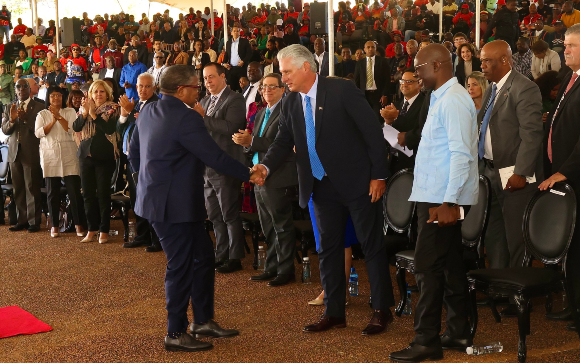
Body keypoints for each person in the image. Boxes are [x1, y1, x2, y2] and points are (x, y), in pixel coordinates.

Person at [253, 44, 395, 335]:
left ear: (306, 67)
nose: (284, 79)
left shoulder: (341, 90)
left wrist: (379, 175)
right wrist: (265, 167)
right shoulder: (291, 102)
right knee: (327, 250)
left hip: (358, 183)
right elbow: (282, 142)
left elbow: (372, 132)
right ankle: (334, 311)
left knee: (371, 247)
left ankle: (381, 310)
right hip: (320, 186)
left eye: (287, 72)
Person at [128, 64, 260, 352]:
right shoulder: (186, 119)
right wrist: (249, 173)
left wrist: (149, 180)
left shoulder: (149, 110)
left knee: (202, 257)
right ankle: (175, 332)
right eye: (195, 87)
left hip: (160, 201)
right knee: (181, 266)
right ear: (181, 89)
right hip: (173, 208)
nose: (198, 91)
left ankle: (201, 320)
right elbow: (213, 155)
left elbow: (134, 151)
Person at [389, 43, 479, 363]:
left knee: (427, 267)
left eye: (420, 67)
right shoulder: (439, 98)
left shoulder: (453, 100)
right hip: (434, 194)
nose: (416, 74)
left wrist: (448, 202)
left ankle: (426, 340)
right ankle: (457, 329)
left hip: (441, 198)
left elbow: (461, 155)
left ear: (438, 65)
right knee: (450, 264)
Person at [478, 40, 543, 318]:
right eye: (481, 61)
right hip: (491, 170)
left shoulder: (524, 87)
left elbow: (532, 134)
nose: (482, 66)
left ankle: (520, 297)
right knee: (496, 235)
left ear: (504, 60)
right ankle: (501, 288)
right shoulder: (493, 89)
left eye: (486, 61)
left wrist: (521, 172)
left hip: (513, 174)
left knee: (516, 236)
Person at [233, 73, 298, 286]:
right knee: (267, 226)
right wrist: (246, 144)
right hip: (258, 175)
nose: (267, 90)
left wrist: (252, 141)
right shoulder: (261, 113)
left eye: (272, 87)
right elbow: (256, 143)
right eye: (264, 87)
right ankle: (271, 267)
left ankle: (286, 270)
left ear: (282, 89)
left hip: (278, 176)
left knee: (281, 226)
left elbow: (281, 144)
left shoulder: (286, 111)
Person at [539, 24, 580, 329]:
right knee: (572, 245)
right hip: (561, 174)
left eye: (571, 46)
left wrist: (565, 170)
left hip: (575, 176)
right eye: (564, 45)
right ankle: (574, 304)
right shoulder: (570, 77)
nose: (564, 50)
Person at [200, 63, 248, 273]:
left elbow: (231, 127)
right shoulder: (203, 101)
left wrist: (203, 118)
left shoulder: (235, 98)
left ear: (222, 77)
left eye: (211, 77)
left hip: (226, 164)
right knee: (214, 215)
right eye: (204, 78)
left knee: (229, 214)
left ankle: (235, 258)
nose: (207, 82)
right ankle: (221, 255)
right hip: (206, 167)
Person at [73, 80, 121, 244]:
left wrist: (93, 114)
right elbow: (77, 127)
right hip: (85, 155)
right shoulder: (84, 107)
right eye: (95, 92)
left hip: (104, 155)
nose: (98, 95)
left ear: (107, 94)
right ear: (90, 94)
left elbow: (108, 129)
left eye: (102, 92)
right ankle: (92, 229)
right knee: (87, 194)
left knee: (102, 194)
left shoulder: (112, 108)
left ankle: (104, 230)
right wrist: (86, 113)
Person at [34, 86, 86, 238]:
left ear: (63, 97)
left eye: (58, 95)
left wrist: (59, 117)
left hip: (69, 155)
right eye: (52, 96)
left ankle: (78, 224)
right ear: (48, 98)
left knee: (74, 192)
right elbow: (38, 133)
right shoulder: (42, 114)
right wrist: (52, 120)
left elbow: (71, 129)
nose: (56, 98)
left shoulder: (69, 112)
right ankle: (55, 226)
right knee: (52, 193)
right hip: (51, 156)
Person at [118, 73, 161, 253]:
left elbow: (153, 129)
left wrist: (130, 113)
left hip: (149, 159)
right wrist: (123, 115)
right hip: (133, 158)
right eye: (140, 86)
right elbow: (120, 128)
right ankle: (141, 235)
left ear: (154, 88)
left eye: (147, 86)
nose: (143, 90)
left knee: (150, 200)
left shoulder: (158, 105)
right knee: (137, 199)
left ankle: (157, 239)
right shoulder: (134, 103)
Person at [1, 79, 45, 232]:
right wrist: (12, 120)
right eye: (17, 87)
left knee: (32, 187)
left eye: (24, 86)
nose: (20, 89)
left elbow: (40, 131)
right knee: (18, 188)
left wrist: (26, 119)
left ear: (29, 89)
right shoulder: (9, 107)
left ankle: (34, 222)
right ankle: (22, 220)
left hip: (31, 152)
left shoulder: (39, 107)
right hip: (14, 153)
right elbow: (5, 130)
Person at [381, 69, 425, 173]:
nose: (404, 84)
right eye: (402, 81)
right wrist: (387, 122)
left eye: (409, 82)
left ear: (419, 84)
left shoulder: (425, 105)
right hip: (393, 162)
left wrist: (397, 117)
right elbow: (386, 135)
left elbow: (419, 131)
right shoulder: (396, 105)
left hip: (414, 163)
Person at [354, 41, 391, 124]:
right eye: (368, 47)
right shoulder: (360, 63)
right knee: (364, 118)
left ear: (375, 49)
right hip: (364, 95)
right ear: (364, 49)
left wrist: (384, 94)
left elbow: (387, 80)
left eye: (372, 47)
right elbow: (357, 81)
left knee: (378, 118)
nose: (370, 49)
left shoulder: (383, 61)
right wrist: (357, 96)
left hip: (378, 95)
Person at [223, 26, 253, 92]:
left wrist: (243, 61)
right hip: (231, 68)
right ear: (231, 33)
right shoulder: (228, 43)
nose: (236, 32)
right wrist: (224, 63)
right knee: (232, 88)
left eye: (237, 31)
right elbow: (227, 55)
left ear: (240, 32)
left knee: (242, 88)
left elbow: (249, 54)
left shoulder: (244, 41)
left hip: (241, 68)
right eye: (234, 31)